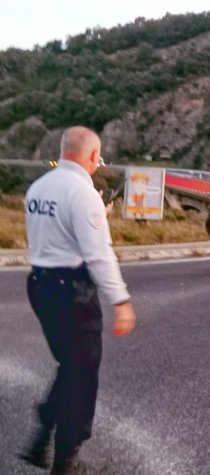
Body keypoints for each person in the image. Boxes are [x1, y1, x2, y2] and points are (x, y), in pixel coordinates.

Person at [17, 126, 136, 474]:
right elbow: (100, 254)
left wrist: (97, 216)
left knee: (70, 366)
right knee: (82, 375)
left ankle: (41, 437)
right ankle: (67, 461)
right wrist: (121, 300)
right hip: (72, 292)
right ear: (94, 156)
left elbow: (57, 232)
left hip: (40, 285)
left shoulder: (39, 187)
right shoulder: (84, 195)